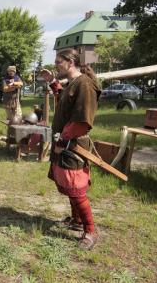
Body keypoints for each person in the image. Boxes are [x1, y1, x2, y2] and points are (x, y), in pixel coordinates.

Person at [43, 49, 101, 250]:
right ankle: (76, 221)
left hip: (73, 144)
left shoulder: (84, 84)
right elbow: (65, 104)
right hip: (65, 143)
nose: (56, 65)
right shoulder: (73, 84)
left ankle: (91, 231)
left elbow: (81, 120)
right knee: (69, 186)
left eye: (59, 61)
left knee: (76, 189)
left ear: (70, 62)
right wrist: (54, 84)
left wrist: (62, 141)